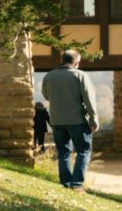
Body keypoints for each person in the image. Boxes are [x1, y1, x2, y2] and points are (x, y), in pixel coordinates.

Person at [41, 49, 98, 190]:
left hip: (57, 121)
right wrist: (93, 119)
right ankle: (77, 183)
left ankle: (66, 183)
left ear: (62, 60)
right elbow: (89, 99)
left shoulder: (49, 76)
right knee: (84, 151)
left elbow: (46, 96)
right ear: (76, 62)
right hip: (77, 120)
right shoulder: (80, 75)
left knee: (64, 152)